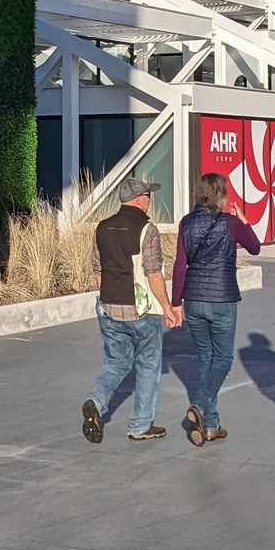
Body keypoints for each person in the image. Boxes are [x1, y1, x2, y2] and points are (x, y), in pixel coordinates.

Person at [83, 177, 181, 444]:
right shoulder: (146, 229)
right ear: (141, 199)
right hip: (141, 310)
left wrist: (106, 300)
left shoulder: (101, 227)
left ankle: (96, 401)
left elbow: (98, 270)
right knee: (148, 365)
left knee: (115, 362)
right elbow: (153, 273)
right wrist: (168, 308)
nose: (150, 200)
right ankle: (139, 425)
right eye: (149, 195)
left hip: (108, 306)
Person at [171, 172, 262, 445]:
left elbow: (179, 265)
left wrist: (176, 303)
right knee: (222, 360)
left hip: (194, 301)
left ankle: (211, 425)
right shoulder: (230, 223)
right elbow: (255, 247)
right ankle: (199, 405)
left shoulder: (187, 223)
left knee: (205, 359)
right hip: (222, 299)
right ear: (220, 194)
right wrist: (244, 219)